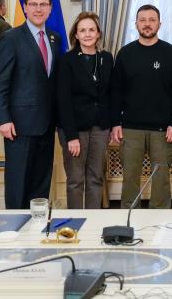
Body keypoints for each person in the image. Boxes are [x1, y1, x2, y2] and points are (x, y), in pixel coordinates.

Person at [0, 0, 62, 209]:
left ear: (50, 8)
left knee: (41, 183)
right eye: (33, 4)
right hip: (19, 126)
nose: (38, 9)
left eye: (43, 4)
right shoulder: (10, 38)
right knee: (18, 182)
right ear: (25, 7)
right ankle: (15, 230)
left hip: (47, 124)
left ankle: (36, 230)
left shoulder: (54, 38)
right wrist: (3, 119)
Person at [111, 5, 172, 209]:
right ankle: (128, 221)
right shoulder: (125, 54)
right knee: (130, 178)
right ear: (136, 24)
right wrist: (115, 123)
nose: (147, 24)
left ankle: (159, 222)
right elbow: (116, 91)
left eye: (152, 20)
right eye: (142, 20)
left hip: (163, 130)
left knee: (161, 179)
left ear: (159, 24)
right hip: (130, 129)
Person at [56, 12, 114, 209]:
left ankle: (93, 222)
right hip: (75, 130)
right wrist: (71, 136)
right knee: (75, 180)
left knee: (96, 177)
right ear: (76, 35)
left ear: (98, 34)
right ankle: (74, 223)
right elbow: (63, 100)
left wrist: (114, 124)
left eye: (91, 30)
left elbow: (110, 95)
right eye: (83, 30)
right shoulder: (67, 60)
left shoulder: (107, 58)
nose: (87, 34)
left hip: (100, 128)